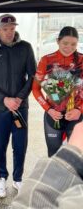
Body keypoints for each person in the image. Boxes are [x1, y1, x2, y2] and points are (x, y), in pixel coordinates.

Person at [0, 14, 36, 198]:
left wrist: (20, 99)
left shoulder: (26, 48)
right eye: (5, 29)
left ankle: (18, 178)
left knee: (20, 144)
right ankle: (1, 178)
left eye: (12, 28)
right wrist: (5, 99)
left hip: (20, 107)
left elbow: (32, 76)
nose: (9, 32)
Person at [32, 26, 83, 157]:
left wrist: (80, 110)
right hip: (53, 115)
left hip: (77, 115)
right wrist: (49, 109)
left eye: (73, 44)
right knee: (53, 155)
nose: (69, 47)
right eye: (65, 43)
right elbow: (36, 89)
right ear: (58, 41)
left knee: (77, 157)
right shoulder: (46, 60)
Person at [11, 122, 83, 208]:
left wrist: (71, 156)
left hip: (74, 121)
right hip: (53, 119)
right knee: (53, 152)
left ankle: (15, 178)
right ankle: (6, 178)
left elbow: (28, 203)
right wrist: (49, 110)